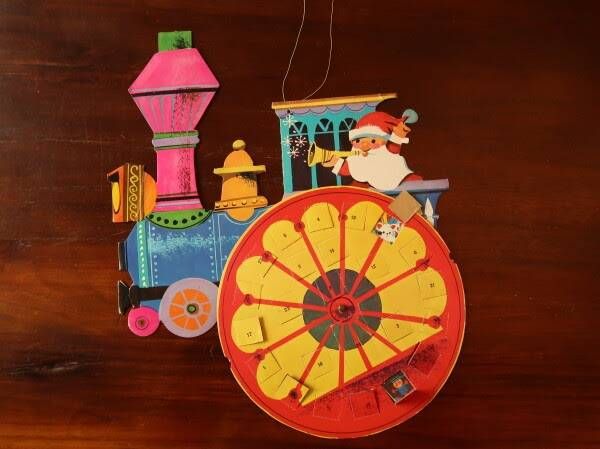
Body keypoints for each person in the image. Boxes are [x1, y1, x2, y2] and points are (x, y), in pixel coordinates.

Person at [322, 111, 422, 190]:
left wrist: (398, 136)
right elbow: (351, 168)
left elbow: (393, 149)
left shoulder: (386, 153)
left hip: (396, 185)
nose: (364, 145)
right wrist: (336, 162)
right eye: (358, 141)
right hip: (370, 190)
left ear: (383, 141)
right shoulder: (357, 157)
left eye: (373, 141)